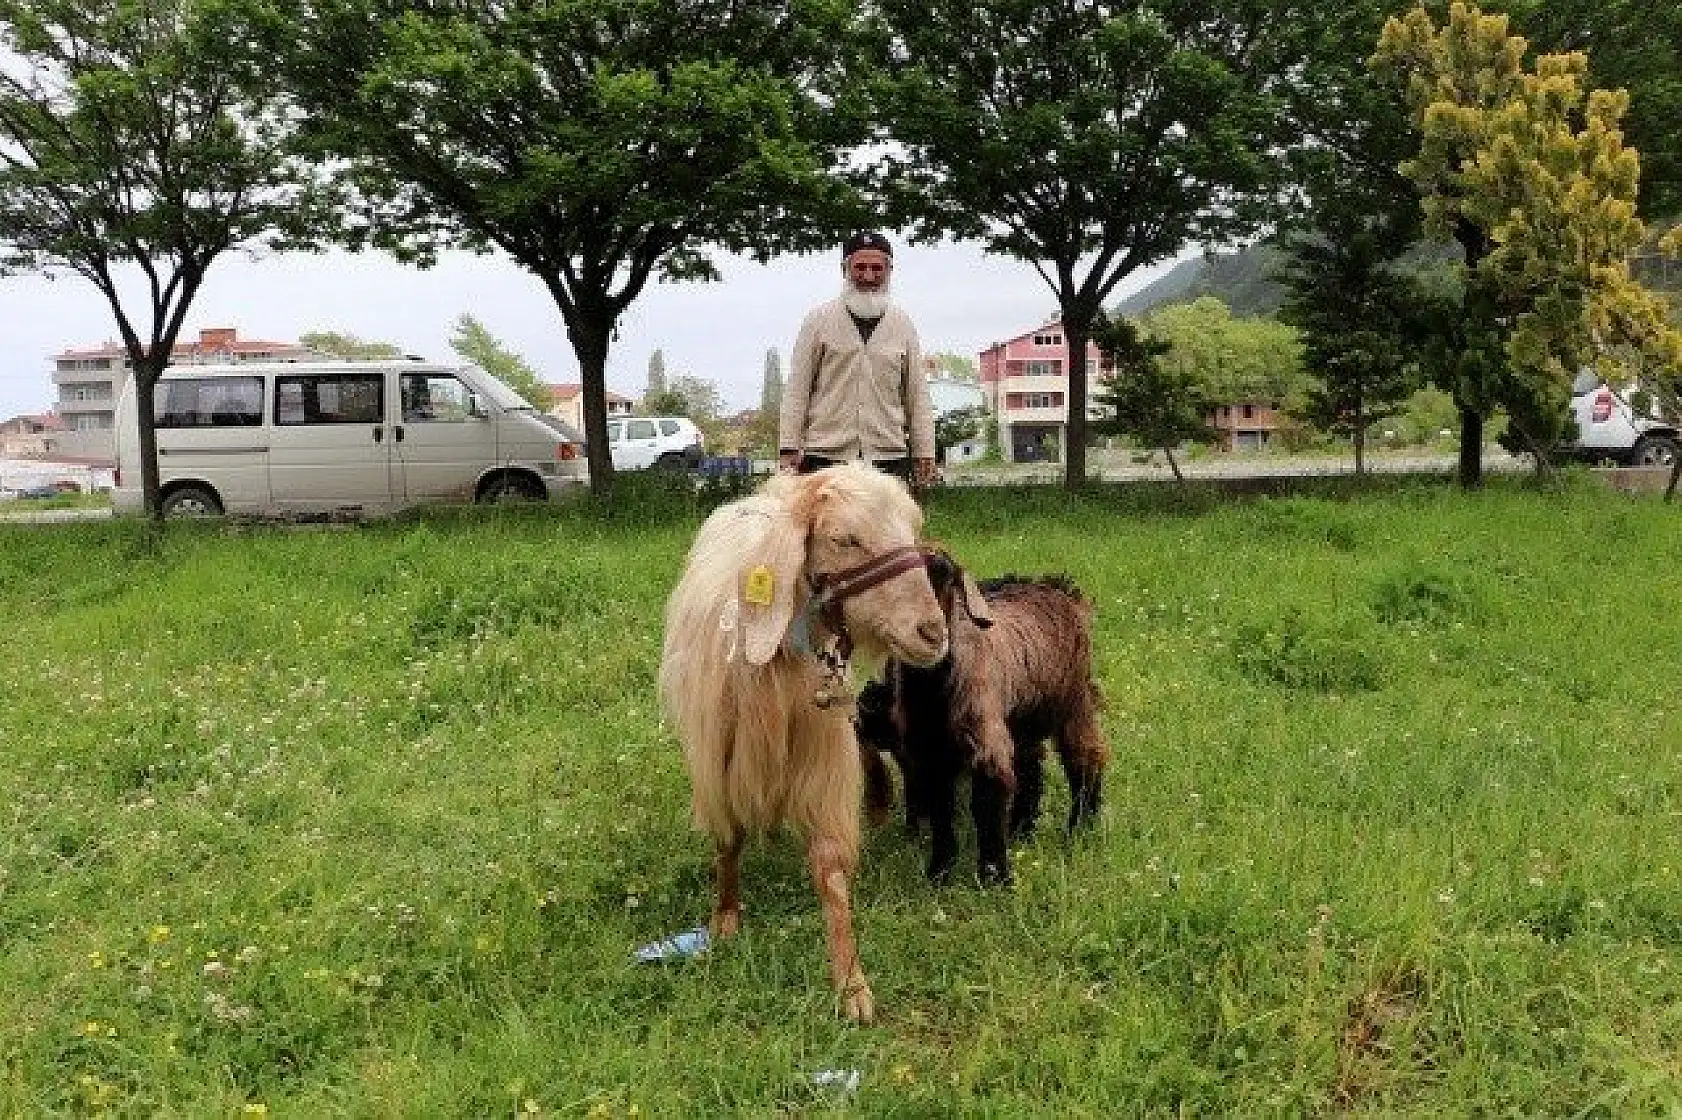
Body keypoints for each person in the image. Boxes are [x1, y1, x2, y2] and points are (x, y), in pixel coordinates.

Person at [778, 230, 937, 488]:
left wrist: (924, 452)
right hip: (827, 456)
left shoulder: (903, 324)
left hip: (888, 456)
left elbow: (917, 395)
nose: (868, 276)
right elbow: (797, 390)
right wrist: (788, 448)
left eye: (877, 268)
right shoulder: (818, 321)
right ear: (845, 269)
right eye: (860, 267)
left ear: (889, 270)